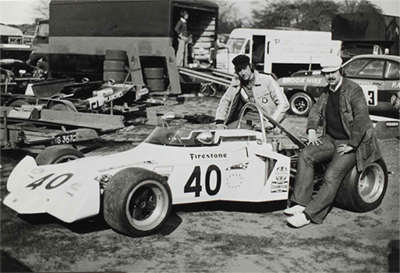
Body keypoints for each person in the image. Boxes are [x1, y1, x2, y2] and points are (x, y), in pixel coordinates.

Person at [284, 56, 383, 228]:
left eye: (332, 72)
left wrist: (352, 144)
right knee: (306, 155)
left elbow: (362, 118)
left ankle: (309, 215)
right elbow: (315, 110)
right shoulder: (327, 91)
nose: (329, 76)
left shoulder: (354, 90)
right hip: (331, 139)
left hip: (354, 143)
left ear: (340, 71)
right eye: (326, 73)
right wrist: (312, 130)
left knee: (332, 174)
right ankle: (301, 201)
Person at [215, 54, 289, 130]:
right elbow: (225, 101)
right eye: (239, 70)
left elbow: (283, 104)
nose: (242, 73)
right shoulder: (236, 83)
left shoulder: (267, 80)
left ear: (250, 66)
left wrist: (271, 122)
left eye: (244, 68)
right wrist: (219, 122)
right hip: (246, 122)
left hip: (269, 122)